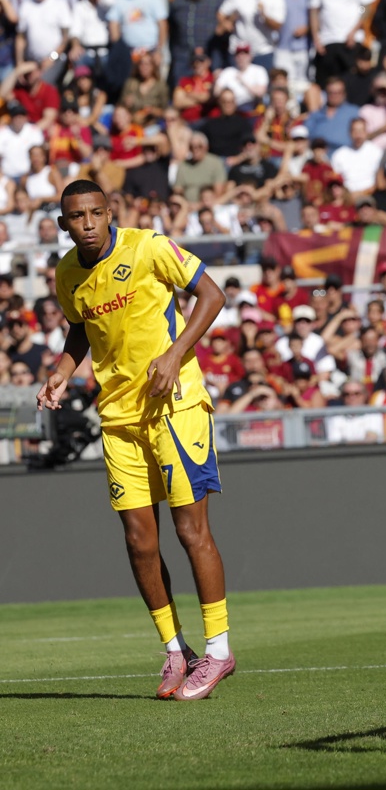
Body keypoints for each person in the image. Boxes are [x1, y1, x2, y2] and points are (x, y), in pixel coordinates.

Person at [36, 179, 236, 699]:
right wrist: (61, 372)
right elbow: (80, 329)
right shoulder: (66, 273)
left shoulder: (147, 246)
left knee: (191, 531)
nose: (86, 223)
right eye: (75, 216)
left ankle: (218, 651)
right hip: (118, 416)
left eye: (95, 213)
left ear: (109, 212)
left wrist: (173, 356)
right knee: (139, 540)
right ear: (64, 224)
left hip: (175, 404)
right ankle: (176, 650)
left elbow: (212, 295)